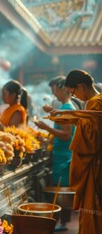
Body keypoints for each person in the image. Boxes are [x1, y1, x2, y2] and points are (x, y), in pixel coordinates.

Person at [53, 69, 102, 234]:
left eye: (73, 93)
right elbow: (89, 123)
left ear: (80, 87)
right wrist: (67, 116)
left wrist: (71, 118)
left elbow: (92, 139)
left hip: (96, 164)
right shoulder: (97, 101)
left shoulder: (94, 103)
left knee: (94, 207)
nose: (74, 97)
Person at [34, 76, 75, 231]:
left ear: (64, 88)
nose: (54, 94)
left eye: (55, 90)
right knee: (61, 190)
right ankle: (62, 222)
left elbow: (66, 135)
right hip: (61, 155)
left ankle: (62, 223)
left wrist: (46, 128)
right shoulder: (64, 108)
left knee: (61, 191)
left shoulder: (67, 109)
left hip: (64, 157)